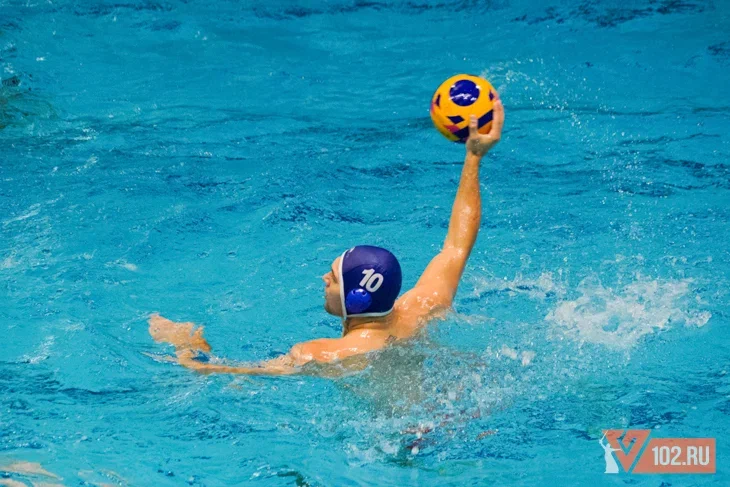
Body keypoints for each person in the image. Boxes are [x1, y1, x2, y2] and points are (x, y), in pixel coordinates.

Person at [149, 93, 505, 375]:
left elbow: (228, 373)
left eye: (333, 278)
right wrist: (473, 157)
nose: (324, 278)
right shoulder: (421, 308)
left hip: (403, 437)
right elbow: (456, 246)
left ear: (357, 299)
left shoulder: (322, 353)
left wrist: (187, 346)